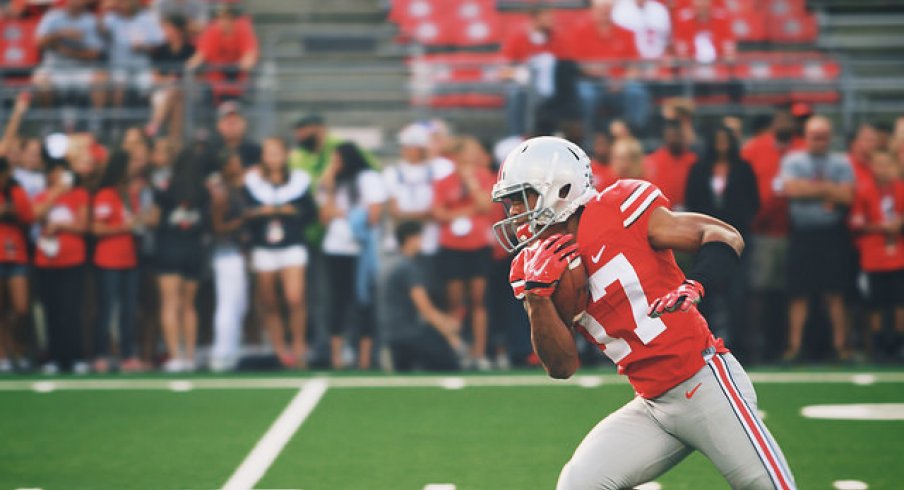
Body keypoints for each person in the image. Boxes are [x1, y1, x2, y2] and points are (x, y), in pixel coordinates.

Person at [493, 136, 795, 489]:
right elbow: (561, 367)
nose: (514, 212)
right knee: (578, 484)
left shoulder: (619, 209)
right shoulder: (532, 264)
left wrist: (694, 285)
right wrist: (538, 299)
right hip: (654, 403)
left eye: (521, 198)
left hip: (704, 382)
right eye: (510, 202)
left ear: (560, 188)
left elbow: (723, 234)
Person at [779, 116, 855, 362]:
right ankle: (794, 347)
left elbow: (847, 196)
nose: (819, 141)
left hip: (832, 236)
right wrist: (828, 189)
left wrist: (809, 189)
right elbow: (791, 189)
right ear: (807, 136)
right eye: (814, 136)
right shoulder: (794, 160)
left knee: (835, 293)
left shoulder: (841, 162)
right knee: (798, 293)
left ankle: (841, 347)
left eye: (823, 136)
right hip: (802, 234)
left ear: (830, 137)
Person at [684, 125, 760, 357]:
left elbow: (754, 201)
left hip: (735, 237)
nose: (722, 145)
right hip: (705, 239)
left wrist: (734, 221)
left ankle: (738, 346)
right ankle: (703, 344)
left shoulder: (743, 168)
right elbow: (692, 199)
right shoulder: (699, 169)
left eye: (725, 140)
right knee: (705, 293)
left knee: (737, 294)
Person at [244, 138, 316, 368]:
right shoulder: (253, 182)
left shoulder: (299, 182)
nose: (273, 158)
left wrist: (291, 211)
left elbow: (310, 212)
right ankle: (279, 351)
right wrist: (259, 212)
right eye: (269, 153)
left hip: (292, 243)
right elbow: (243, 213)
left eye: (277, 152)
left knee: (294, 297)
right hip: (264, 245)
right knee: (269, 300)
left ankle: (298, 346)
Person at [317, 142, 387, 370]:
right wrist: (328, 186)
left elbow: (373, 215)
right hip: (336, 249)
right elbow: (324, 217)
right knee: (337, 302)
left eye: (337, 161)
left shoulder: (368, 178)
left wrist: (343, 213)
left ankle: (365, 358)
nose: (334, 165)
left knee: (363, 302)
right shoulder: (330, 183)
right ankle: (337, 357)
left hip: (362, 251)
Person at [742, 107, 804, 362]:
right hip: (763, 231)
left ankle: (787, 345)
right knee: (760, 290)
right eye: (780, 119)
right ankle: (756, 345)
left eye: (788, 120)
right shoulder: (755, 148)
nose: (784, 124)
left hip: (797, 231)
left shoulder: (801, 148)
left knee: (791, 292)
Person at [433, 137, 496, 370]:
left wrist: (470, 182)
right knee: (454, 299)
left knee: (479, 299)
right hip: (452, 245)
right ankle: (456, 349)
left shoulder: (482, 177)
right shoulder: (443, 181)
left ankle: (479, 352)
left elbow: (486, 205)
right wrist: (467, 212)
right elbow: (438, 213)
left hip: (478, 244)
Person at [147, 146, 208, 372]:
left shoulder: (165, 188)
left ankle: (175, 355)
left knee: (170, 303)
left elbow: (153, 220)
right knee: (189, 305)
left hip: (169, 249)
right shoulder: (203, 191)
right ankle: (190, 355)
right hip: (194, 250)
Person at [378, 221, 461, 372]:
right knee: (450, 362)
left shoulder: (391, 263)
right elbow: (426, 309)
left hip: (390, 334)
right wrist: (449, 331)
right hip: (408, 334)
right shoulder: (408, 267)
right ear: (411, 239)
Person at [32, 157, 89, 373]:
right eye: (55, 171)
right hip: (46, 261)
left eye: (63, 171)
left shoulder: (79, 195)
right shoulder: (42, 196)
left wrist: (61, 225)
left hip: (73, 259)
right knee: (51, 310)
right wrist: (55, 193)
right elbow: (36, 215)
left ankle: (75, 356)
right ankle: (55, 357)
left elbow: (83, 225)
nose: (59, 175)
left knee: (71, 310)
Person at [564, 0, 651, 137]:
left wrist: (621, 81)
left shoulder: (626, 33)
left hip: (619, 84)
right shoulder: (579, 33)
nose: (605, 11)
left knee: (637, 93)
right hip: (591, 82)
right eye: (601, 8)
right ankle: (587, 137)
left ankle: (634, 136)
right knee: (586, 95)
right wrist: (597, 73)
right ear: (592, 9)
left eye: (607, 8)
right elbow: (576, 64)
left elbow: (634, 66)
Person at [848, 150, 904, 360]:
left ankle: (899, 344)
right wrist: (880, 226)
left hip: (899, 256)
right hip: (873, 258)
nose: (883, 169)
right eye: (879, 164)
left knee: (900, 302)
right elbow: (856, 222)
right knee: (876, 304)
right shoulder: (864, 190)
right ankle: (879, 345)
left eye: (887, 164)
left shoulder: (901, 189)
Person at [91, 151, 144, 373]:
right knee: (107, 309)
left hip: (128, 259)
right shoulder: (106, 194)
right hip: (108, 259)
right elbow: (97, 227)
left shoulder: (129, 194)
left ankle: (127, 354)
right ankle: (101, 353)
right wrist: (124, 227)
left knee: (128, 309)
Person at [209, 151, 249, 372]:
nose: (239, 166)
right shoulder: (222, 192)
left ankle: (231, 351)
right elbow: (217, 227)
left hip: (235, 253)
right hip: (226, 252)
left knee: (239, 304)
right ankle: (221, 352)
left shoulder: (234, 189)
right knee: (228, 303)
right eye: (234, 163)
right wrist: (243, 220)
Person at [499, 7, 565, 136]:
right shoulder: (518, 38)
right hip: (526, 91)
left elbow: (565, 67)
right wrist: (519, 73)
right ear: (535, 17)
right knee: (517, 94)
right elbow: (503, 71)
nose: (551, 19)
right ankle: (517, 137)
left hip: (553, 93)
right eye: (546, 15)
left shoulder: (556, 39)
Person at [31, 0, 106, 111]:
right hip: (54, 68)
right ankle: (47, 121)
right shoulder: (52, 17)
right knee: (41, 81)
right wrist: (61, 34)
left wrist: (66, 50)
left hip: (82, 69)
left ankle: (97, 122)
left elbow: (95, 53)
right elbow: (38, 43)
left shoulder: (91, 20)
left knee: (101, 79)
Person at [0, 156, 33, 373]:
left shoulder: (17, 191)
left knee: (21, 308)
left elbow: (29, 216)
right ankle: (4, 355)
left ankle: (18, 349)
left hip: (17, 254)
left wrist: (14, 212)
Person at [187, 3, 259, 101]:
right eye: (220, 18)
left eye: (227, 18)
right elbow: (200, 55)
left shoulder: (243, 30)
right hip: (215, 83)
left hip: (237, 82)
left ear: (233, 20)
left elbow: (249, 56)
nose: (223, 22)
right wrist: (188, 67)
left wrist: (242, 65)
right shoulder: (212, 31)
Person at [100, 0, 164, 107]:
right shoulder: (112, 18)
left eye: (125, 2)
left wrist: (143, 46)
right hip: (119, 65)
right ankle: (117, 119)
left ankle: (147, 119)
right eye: (120, 3)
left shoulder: (146, 18)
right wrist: (104, 10)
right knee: (118, 83)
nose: (122, 5)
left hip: (142, 66)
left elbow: (159, 43)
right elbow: (101, 30)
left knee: (149, 85)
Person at [147, 13, 195, 140]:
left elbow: (196, 76)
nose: (165, 31)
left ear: (179, 31)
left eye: (168, 28)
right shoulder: (160, 50)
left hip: (187, 92)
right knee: (175, 95)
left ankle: (155, 124)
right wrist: (169, 80)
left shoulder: (190, 50)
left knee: (177, 92)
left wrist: (177, 82)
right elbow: (155, 77)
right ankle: (175, 140)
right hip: (163, 91)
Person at [643, 120, 698, 211]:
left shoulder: (693, 161)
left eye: (677, 136)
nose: (674, 140)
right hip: (661, 211)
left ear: (682, 137)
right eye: (671, 136)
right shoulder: (652, 161)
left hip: (688, 211)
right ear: (665, 137)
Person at [214, 101, 261, 170]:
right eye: (228, 121)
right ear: (218, 125)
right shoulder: (210, 153)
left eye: (235, 121)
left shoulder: (256, 151)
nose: (232, 125)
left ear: (244, 123)